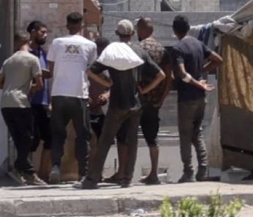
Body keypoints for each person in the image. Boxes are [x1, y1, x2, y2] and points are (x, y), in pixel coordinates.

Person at [79, 19, 163, 189]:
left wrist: (108, 84)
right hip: (135, 104)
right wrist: (145, 91)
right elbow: (161, 75)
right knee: (132, 142)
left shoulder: (113, 51)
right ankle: (127, 179)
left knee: (105, 141)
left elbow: (90, 72)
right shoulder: (140, 51)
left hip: (117, 103)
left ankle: (92, 179)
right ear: (132, 34)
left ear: (117, 34)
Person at [170, 14, 223, 182]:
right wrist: (202, 72)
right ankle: (203, 170)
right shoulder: (198, 44)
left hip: (187, 98)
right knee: (197, 133)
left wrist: (197, 82)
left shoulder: (177, 48)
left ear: (175, 30)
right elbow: (218, 59)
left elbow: (182, 73)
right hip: (201, 98)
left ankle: (188, 172)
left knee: (185, 135)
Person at [46, 12, 97, 184]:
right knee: (82, 134)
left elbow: (51, 69)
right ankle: (83, 173)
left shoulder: (57, 43)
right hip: (79, 94)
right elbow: (91, 69)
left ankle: (55, 167)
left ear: (67, 25)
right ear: (81, 25)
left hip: (59, 93)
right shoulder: (90, 45)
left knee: (58, 134)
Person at [0, 31, 45, 186]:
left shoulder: (8, 61)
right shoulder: (32, 59)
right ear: (29, 40)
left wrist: (11, 85)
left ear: (15, 42)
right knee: (31, 137)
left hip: (5, 103)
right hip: (21, 102)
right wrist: (30, 90)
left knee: (19, 139)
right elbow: (40, 84)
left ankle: (29, 173)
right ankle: (18, 168)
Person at [134, 17, 172, 185]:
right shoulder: (162, 49)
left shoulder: (137, 48)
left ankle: (125, 172)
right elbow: (169, 78)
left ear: (141, 30)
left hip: (138, 100)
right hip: (155, 102)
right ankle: (154, 173)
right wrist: (162, 98)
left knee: (128, 136)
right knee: (152, 139)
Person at [27, 20, 53, 180]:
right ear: (33, 32)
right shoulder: (26, 53)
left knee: (49, 138)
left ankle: (43, 174)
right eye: (42, 32)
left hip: (43, 103)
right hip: (29, 102)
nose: (45, 35)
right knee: (31, 139)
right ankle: (27, 173)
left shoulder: (43, 53)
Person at [88, 37, 112, 141]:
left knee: (101, 140)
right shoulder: (87, 64)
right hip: (86, 108)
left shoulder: (109, 66)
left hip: (101, 110)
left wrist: (106, 95)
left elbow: (114, 86)